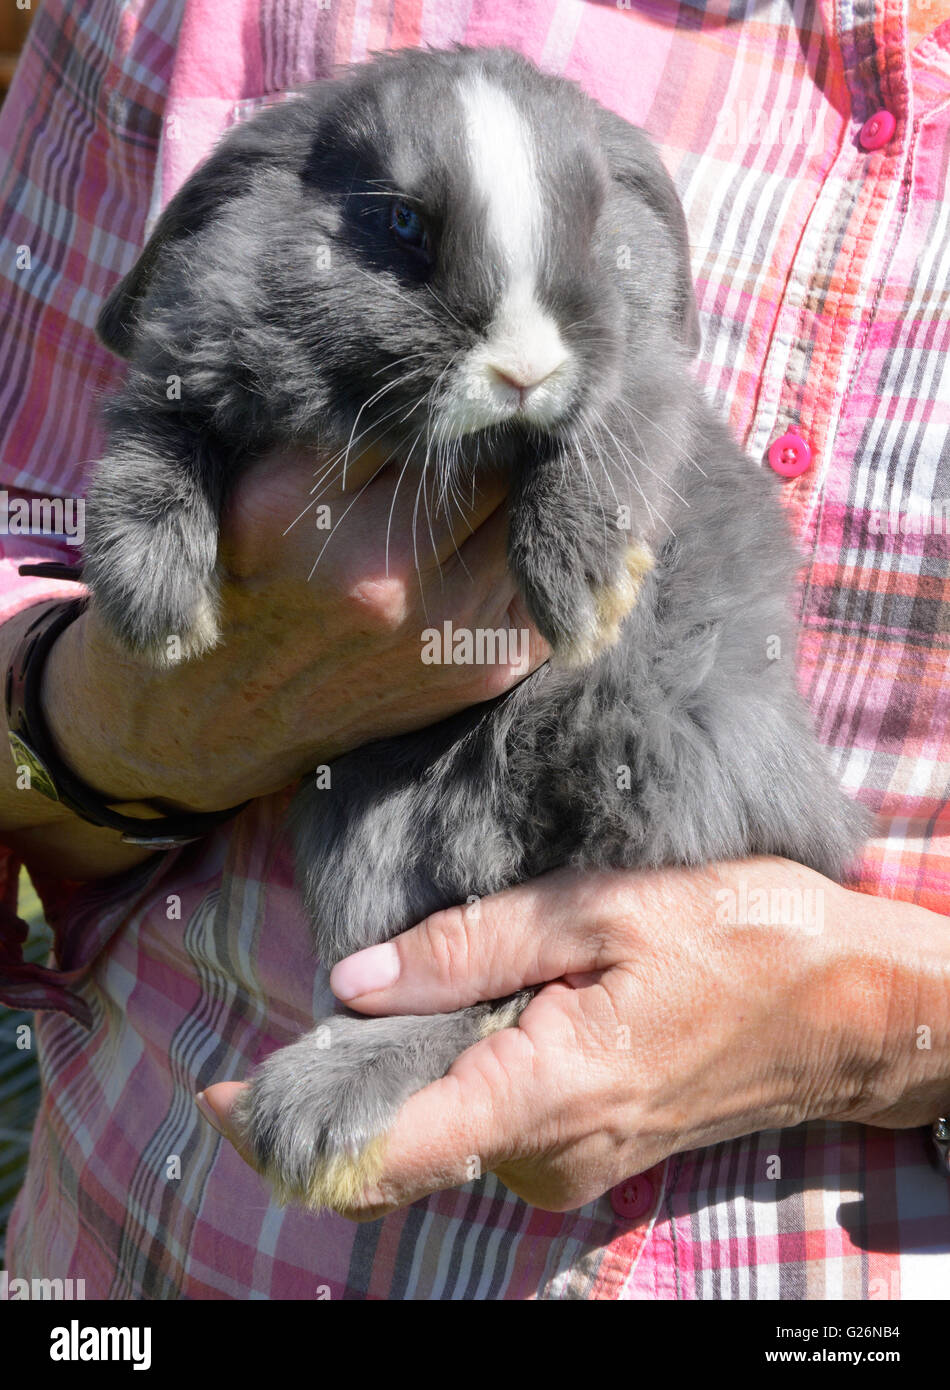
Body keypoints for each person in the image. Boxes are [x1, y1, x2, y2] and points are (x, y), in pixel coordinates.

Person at [1, 0, 948, 1300]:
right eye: (398, 233)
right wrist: (125, 716)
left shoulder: (602, 321)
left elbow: (629, 397)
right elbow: (69, 477)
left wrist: (883, 1020)